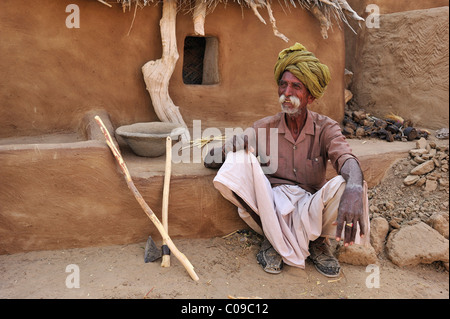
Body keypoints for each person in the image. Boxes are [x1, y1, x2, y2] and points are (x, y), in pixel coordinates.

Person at [204, 43, 370, 277]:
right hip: (271, 207)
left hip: (310, 206)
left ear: (310, 96)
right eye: (283, 85)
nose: (287, 93)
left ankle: (318, 241)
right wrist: (228, 148)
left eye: (296, 87)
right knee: (239, 157)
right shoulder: (263, 127)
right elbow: (209, 159)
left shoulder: (326, 127)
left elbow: (346, 158)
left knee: (352, 183)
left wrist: (353, 187)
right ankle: (272, 237)